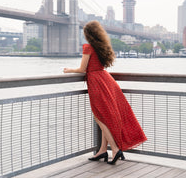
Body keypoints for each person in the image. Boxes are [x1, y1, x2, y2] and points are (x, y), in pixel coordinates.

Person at [63, 21, 147, 165]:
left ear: (88, 34)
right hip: (106, 80)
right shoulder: (102, 46)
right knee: (104, 116)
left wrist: (68, 70)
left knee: (100, 117)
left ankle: (114, 149)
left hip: (96, 83)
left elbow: (83, 69)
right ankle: (102, 150)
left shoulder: (88, 47)